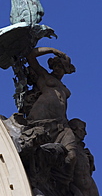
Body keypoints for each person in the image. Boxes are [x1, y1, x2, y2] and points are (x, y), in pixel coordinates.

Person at [26, 47, 77, 178]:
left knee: (71, 155)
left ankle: (59, 182)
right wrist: (51, 50)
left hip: (61, 122)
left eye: (62, 66)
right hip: (42, 116)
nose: (58, 68)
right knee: (39, 149)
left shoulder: (63, 87)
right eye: (57, 65)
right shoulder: (44, 76)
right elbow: (31, 56)